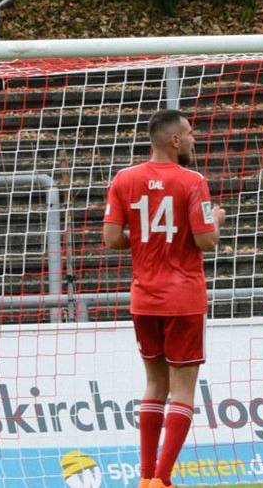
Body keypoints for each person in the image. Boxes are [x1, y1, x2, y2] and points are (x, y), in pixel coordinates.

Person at [103, 109, 227, 488]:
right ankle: (162, 478)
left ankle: (145, 477)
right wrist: (216, 219)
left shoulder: (124, 179)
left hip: (145, 298)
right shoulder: (193, 181)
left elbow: (111, 238)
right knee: (183, 390)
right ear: (174, 140)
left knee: (154, 385)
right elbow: (205, 241)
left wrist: (146, 238)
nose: (193, 139)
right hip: (184, 298)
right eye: (189, 133)